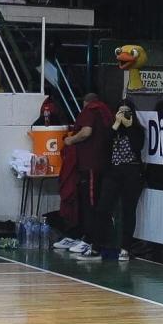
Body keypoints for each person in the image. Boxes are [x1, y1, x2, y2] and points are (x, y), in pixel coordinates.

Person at [77, 98, 145, 262]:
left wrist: (130, 127)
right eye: (121, 112)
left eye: (127, 112)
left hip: (131, 171)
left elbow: (137, 146)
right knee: (103, 208)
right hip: (113, 171)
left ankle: (125, 248)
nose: (123, 115)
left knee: (129, 211)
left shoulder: (137, 130)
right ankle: (97, 247)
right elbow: (104, 144)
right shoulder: (112, 129)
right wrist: (116, 124)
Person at [60, 93, 113, 254]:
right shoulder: (106, 112)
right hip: (102, 163)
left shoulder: (91, 110)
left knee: (90, 203)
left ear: (85, 102)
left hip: (90, 165)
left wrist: (70, 140)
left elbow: (86, 132)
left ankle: (90, 239)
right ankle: (85, 235)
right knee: (92, 202)